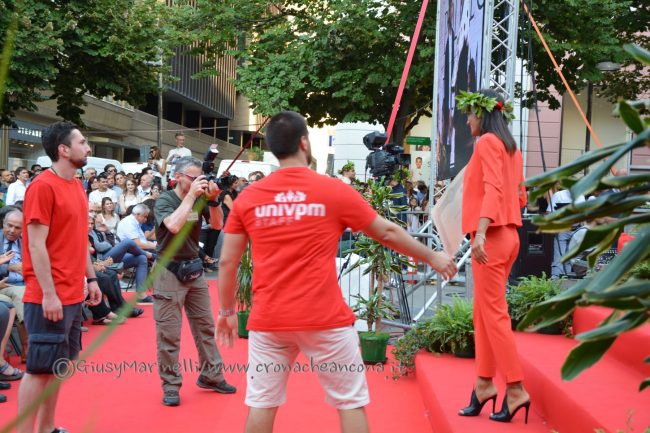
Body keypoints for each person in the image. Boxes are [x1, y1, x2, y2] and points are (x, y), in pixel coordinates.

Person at [216, 111, 456, 433]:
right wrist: (432, 256)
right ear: (304, 143)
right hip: (325, 320)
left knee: (262, 403)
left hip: (270, 319)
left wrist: (227, 311)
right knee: (349, 402)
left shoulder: (249, 198)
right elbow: (386, 232)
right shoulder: (333, 190)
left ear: (273, 148)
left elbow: (227, 262)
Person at [18, 121, 102, 433]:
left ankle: (47, 427)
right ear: (63, 150)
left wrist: (91, 279)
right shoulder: (42, 186)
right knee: (38, 370)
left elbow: (79, 239)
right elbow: (36, 245)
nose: (88, 148)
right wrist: (50, 294)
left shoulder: (77, 186)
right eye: (82, 142)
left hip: (72, 293)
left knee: (58, 367)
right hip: (47, 296)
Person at [457, 89, 530, 423]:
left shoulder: (487, 142)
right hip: (509, 234)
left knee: (494, 315)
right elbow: (520, 196)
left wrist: (482, 232)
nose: (467, 120)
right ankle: (484, 384)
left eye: (469, 114)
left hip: (492, 238)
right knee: (483, 314)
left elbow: (494, 189)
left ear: (482, 113)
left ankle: (515, 389)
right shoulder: (511, 147)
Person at [153, 156, 236, 406]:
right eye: (193, 177)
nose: (199, 181)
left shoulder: (200, 198)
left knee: (205, 327)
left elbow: (217, 225)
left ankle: (211, 375)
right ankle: (170, 385)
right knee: (169, 334)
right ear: (177, 177)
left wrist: (213, 200)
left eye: (200, 177)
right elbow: (173, 225)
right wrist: (192, 196)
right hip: (168, 270)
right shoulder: (165, 200)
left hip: (194, 269)